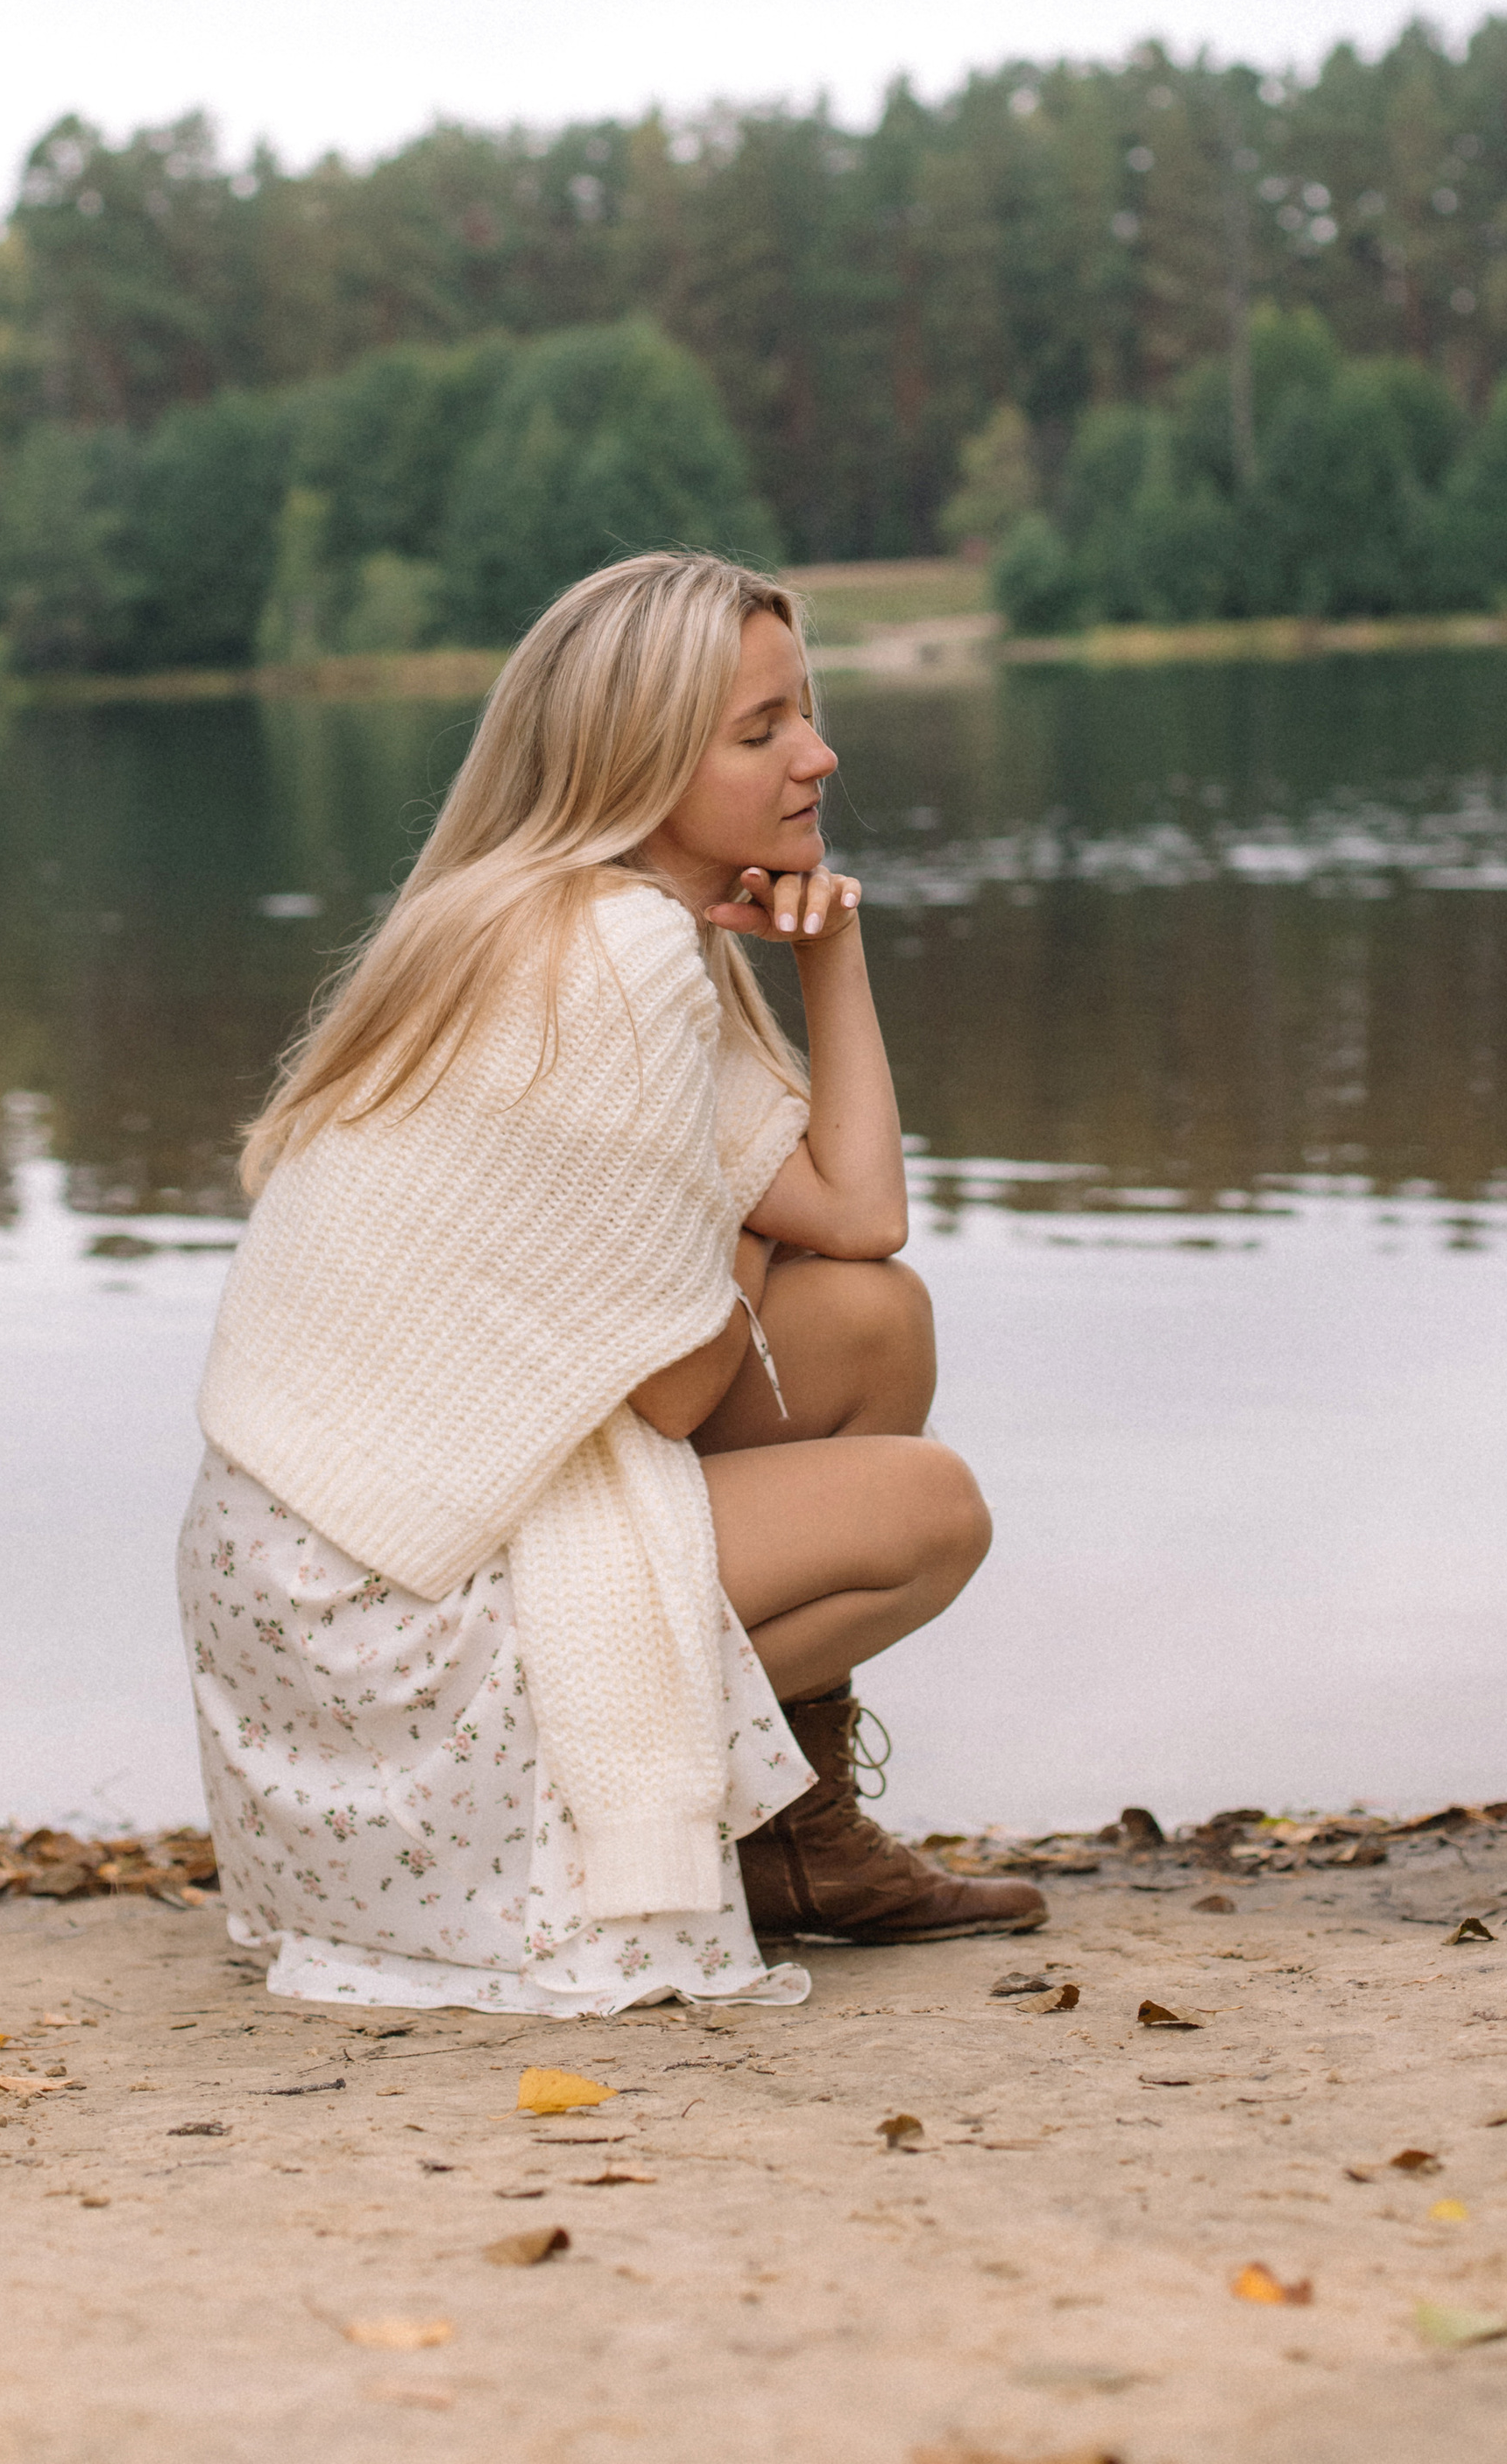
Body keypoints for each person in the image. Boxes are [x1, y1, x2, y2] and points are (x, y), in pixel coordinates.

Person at [180, 548, 1043, 2016]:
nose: (817, 754)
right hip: (389, 1626)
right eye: (760, 729)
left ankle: (797, 1841)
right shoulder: (616, 953)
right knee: (933, 1512)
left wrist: (832, 954)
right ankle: (749, 1830)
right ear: (638, 761)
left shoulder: (565, 914)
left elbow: (860, 1215)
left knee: (868, 1325)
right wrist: (722, 1225)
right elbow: (683, 1378)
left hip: (291, 1608)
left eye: (804, 714)